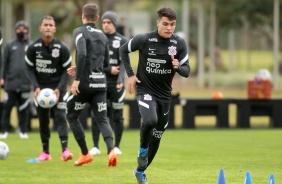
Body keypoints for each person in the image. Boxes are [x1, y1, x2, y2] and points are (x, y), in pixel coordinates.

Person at [119, 7, 190, 183]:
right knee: (150, 121)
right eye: (165, 24)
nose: (169, 28)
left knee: (158, 135)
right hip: (145, 90)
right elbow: (123, 50)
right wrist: (130, 75)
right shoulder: (144, 39)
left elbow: (187, 71)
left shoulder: (179, 44)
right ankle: (142, 149)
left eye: (172, 24)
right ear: (157, 22)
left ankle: (140, 171)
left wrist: (178, 67)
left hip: (165, 95)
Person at [66, 3, 117, 166]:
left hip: (85, 84)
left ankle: (85, 153)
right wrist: (83, 67)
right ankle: (111, 151)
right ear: (97, 18)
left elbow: (81, 53)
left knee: (71, 115)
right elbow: (106, 62)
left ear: (82, 16)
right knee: (102, 119)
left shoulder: (79, 31)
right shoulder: (102, 36)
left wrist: (78, 78)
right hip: (100, 84)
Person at [25, 15, 73, 161]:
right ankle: (45, 152)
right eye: (45, 25)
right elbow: (29, 69)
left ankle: (65, 150)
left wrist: (59, 88)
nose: (48, 27)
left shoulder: (62, 48)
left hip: (59, 89)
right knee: (43, 119)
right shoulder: (33, 48)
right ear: (40, 28)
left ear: (54, 29)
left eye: (50, 25)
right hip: (41, 90)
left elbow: (68, 70)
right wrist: (36, 87)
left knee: (60, 117)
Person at [89, 11, 127, 156]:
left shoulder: (122, 40)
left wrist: (119, 79)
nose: (105, 25)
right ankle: (95, 146)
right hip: (100, 84)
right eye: (103, 22)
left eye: (108, 22)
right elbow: (93, 63)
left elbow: (124, 62)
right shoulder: (97, 39)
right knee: (96, 114)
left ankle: (116, 146)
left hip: (116, 85)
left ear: (114, 24)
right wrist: (108, 69)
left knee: (117, 115)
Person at [0, 21, 32, 139]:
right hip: (10, 84)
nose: (21, 31)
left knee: (23, 109)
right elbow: (4, 63)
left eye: (23, 29)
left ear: (27, 30)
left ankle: (23, 131)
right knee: (7, 108)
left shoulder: (31, 46)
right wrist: (2, 77)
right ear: (15, 30)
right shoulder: (9, 45)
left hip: (25, 83)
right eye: (19, 29)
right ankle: (4, 131)